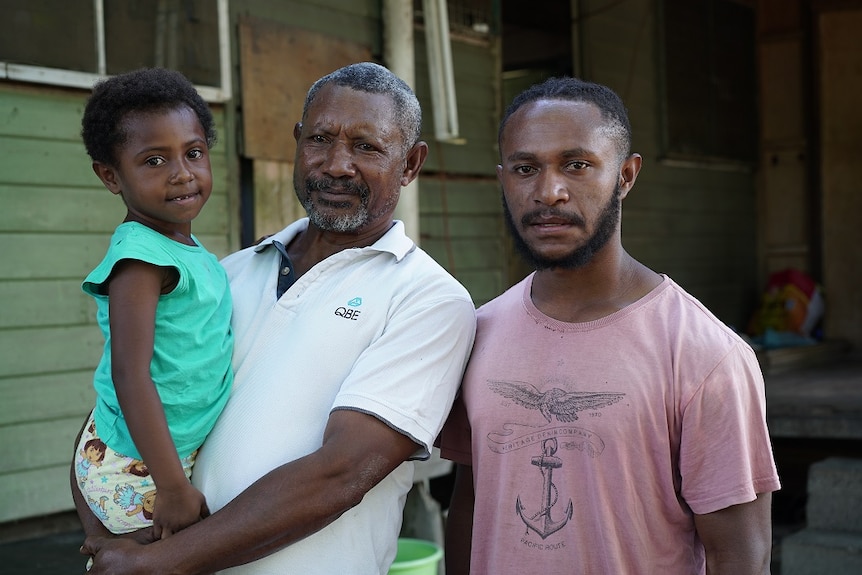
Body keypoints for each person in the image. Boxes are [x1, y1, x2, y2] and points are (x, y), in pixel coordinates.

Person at [77, 62, 477, 574]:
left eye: (367, 147)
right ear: (296, 142)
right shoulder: (227, 273)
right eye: (320, 139)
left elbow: (341, 473)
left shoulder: (428, 300)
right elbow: (116, 398)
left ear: (411, 163)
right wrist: (103, 536)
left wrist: (161, 562)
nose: (336, 164)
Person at [438, 76, 781, 575]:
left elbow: (741, 555)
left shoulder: (706, 355)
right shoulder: (477, 332)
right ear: (503, 178)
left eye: (576, 165)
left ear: (625, 175)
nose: (548, 192)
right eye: (525, 168)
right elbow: (471, 501)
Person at [72, 67, 233, 547]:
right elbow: (130, 374)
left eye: (194, 153)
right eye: (155, 160)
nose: (182, 173)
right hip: (139, 468)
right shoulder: (140, 260)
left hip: (163, 454)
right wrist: (171, 485)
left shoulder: (180, 246)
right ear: (110, 176)